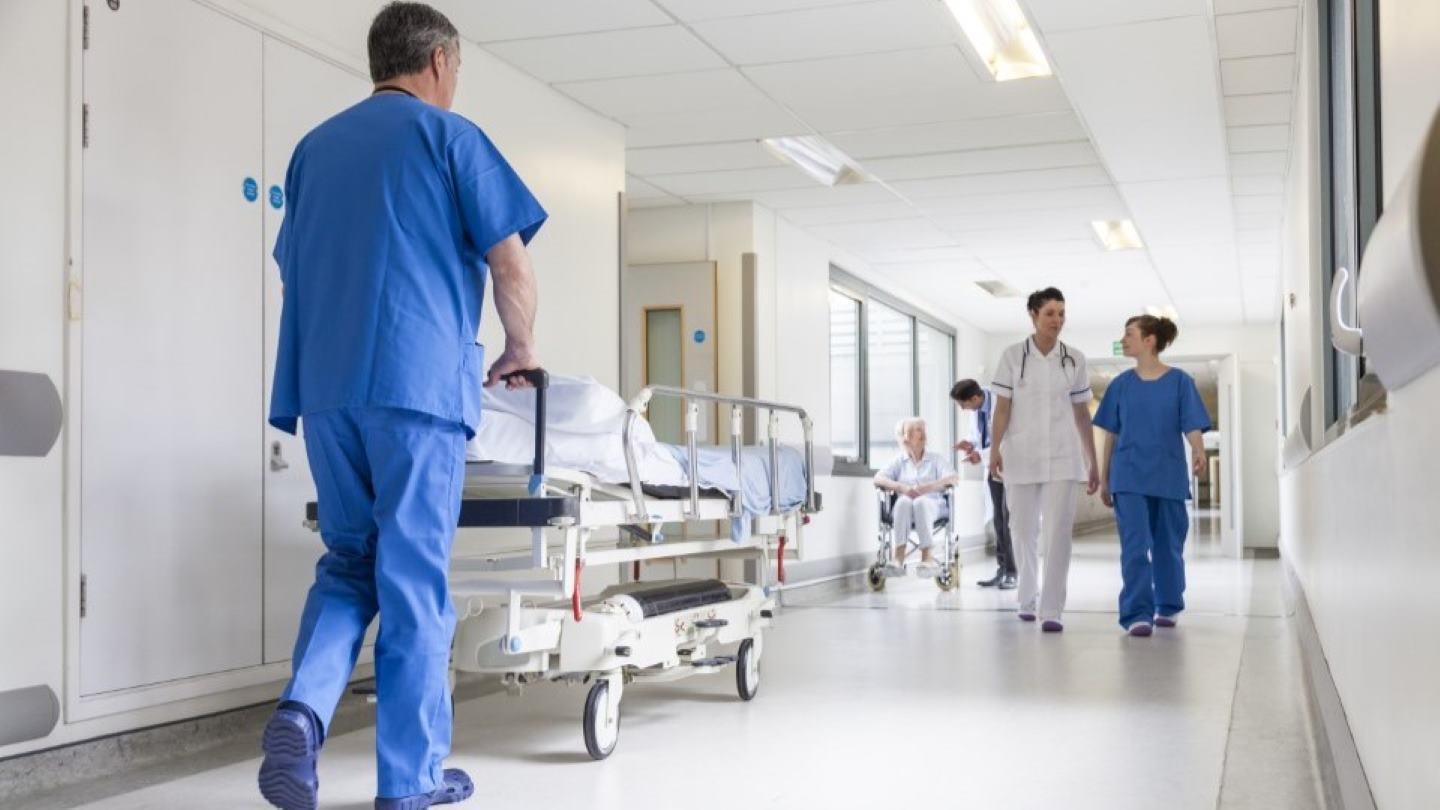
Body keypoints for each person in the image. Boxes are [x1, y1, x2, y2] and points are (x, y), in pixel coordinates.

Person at [258, 4, 548, 809]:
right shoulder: (452, 139)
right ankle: (410, 780)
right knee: (415, 578)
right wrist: (520, 349)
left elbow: (298, 269)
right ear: (442, 60)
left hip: (325, 390)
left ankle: (303, 712)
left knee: (350, 563)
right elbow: (511, 267)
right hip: (415, 393)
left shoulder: (313, 151)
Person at [989, 288, 1100, 632]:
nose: (1058, 320)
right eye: (1050, 313)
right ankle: (1027, 596)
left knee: (1058, 534)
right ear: (1033, 316)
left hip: (1064, 457)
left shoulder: (1074, 359)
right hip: (1020, 455)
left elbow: (1082, 414)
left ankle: (1051, 609)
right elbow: (1003, 408)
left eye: (1062, 313)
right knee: (1021, 530)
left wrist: (1092, 460)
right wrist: (993, 449)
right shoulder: (1011, 356)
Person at [1093, 315, 1211, 637]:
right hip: (1128, 476)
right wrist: (1105, 478)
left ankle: (1168, 604)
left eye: (1129, 334)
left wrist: (1199, 451)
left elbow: (1191, 424)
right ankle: (1136, 613)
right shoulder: (1120, 385)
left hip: (1168, 474)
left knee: (1168, 546)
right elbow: (1111, 436)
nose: (1124, 339)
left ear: (1150, 341)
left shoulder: (1180, 382)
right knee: (1134, 546)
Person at [951, 379, 1016, 590]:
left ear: (976, 398)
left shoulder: (1002, 402)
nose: (963, 409)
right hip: (993, 468)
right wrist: (970, 445)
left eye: (964, 404)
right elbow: (982, 438)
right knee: (998, 520)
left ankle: (1013, 572)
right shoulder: (977, 410)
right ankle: (1002, 569)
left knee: (1008, 520)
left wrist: (982, 454)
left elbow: (1007, 438)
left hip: (1010, 465)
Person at [874, 417, 958, 577]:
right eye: (916, 430)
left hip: (933, 506)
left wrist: (926, 488)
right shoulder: (899, 461)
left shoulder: (935, 459)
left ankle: (927, 556)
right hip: (904, 511)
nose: (923, 433)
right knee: (903, 501)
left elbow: (953, 478)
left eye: (923, 429)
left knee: (920, 502)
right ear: (905, 437)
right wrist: (901, 487)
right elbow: (878, 478)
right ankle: (898, 557)